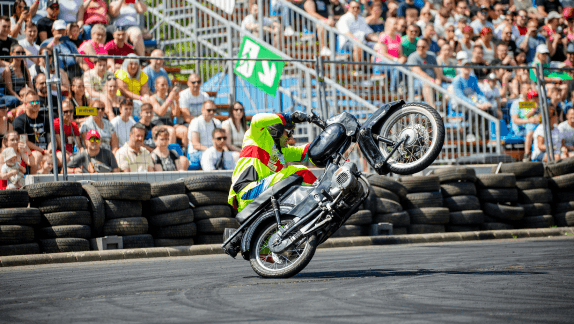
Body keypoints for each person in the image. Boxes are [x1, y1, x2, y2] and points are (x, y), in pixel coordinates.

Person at [227, 111, 317, 212]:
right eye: (289, 132)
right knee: (300, 172)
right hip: (246, 191)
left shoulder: (282, 151)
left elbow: (304, 151)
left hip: (259, 196)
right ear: (277, 130)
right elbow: (256, 119)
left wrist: (327, 139)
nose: (291, 138)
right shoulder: (257, 136)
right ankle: (321, 202)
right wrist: (288, 118)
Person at [12, 90, 52, 173]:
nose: (35, 104)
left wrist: (50, 149)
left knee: (63, 157)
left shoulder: (45, 118)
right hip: (30, 151)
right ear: (25, 104)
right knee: (37, 157)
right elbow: (24, 142)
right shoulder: (20, 120)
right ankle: (34, 185)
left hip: (46, 149)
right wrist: (43, 151)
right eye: (32, 102)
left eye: (37, 101)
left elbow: (51, 137)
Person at [336, 1, 379, 69]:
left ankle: (372, 69)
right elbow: (347, 34)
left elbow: (369, 33)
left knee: (379, 46)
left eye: (358, 7)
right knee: (357, 45)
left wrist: (380, 40)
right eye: (353, 7)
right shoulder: (344, 19)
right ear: (349, 8)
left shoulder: (361, 19)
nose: (356, 9)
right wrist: (356, 40)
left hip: (362, 42)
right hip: (347, 43)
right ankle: (357, 69)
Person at [407, 38, 443, 108]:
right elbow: (418, 71)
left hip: (433, 81)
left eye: (423, 47)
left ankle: (442, 107)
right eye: (418, 46)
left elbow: (437, 70)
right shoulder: (413, 57)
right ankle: (432, 108)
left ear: (427, 47)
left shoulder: (432, 56)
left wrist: (438, 80)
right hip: (417, 82)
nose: (420, 48)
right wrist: (431, 80)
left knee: (450, 88)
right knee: (427, 84)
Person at [187, 100, 222, 170]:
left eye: (214, 110)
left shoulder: (217, 123)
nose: (212, 112)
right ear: (202, 110)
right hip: (196, 153)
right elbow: (195, 144)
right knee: (208, 156)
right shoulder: (195, 122)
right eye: (209, 110)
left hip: (213, 151)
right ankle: (212, 179)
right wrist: (211, 151)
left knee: (231, 156)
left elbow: (220, 141)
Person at [511, 88, 540, 161]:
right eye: (526, 88)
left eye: (530, 88)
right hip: (522, 128)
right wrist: (530, 119)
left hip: (535, 125)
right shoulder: (517, 103)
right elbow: (517, 120)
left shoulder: (531, 103)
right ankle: (527, 154)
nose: (529, 91)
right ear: (521, 91)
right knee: (530, 133)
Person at [150, 76, 182, 144]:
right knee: (171, 131)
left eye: (166, 85)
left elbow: (176, 114)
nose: (165, 87)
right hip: (156, 123)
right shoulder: (152, 98)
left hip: (168, 122)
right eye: (162, 85)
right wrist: (169, 99)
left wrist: (176, 101)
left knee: (184, 131)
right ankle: (171, 153)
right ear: (156, 86)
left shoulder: (168, 99)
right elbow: (160, 112)